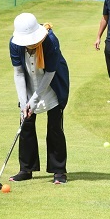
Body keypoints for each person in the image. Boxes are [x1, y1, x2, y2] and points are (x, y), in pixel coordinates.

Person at [9, 13, 69, 184]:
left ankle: (59, 171)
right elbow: (19, 72)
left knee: (55, 126)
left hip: (53, 84)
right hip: (29, 81)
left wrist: (35, 100)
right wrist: (23, 102)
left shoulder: (50, 40)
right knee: (26, 123)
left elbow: (50, 72)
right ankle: (26, 169)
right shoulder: (14, 44)